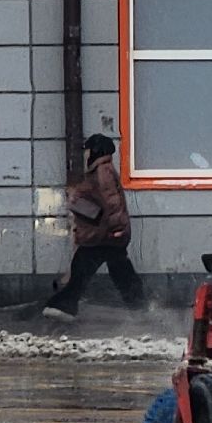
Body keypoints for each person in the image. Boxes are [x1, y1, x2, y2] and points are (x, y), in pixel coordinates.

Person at [44, 133, 145, 321]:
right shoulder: (100, 170)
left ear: (96, 151)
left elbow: (113, 203)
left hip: (102, 236)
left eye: (88, 150)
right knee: (121, 272)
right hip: (105, 235)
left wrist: (114, 229)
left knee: (82, 269)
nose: (85, 154)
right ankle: (140, 307)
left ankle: (64, 306)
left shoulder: (102, 171)